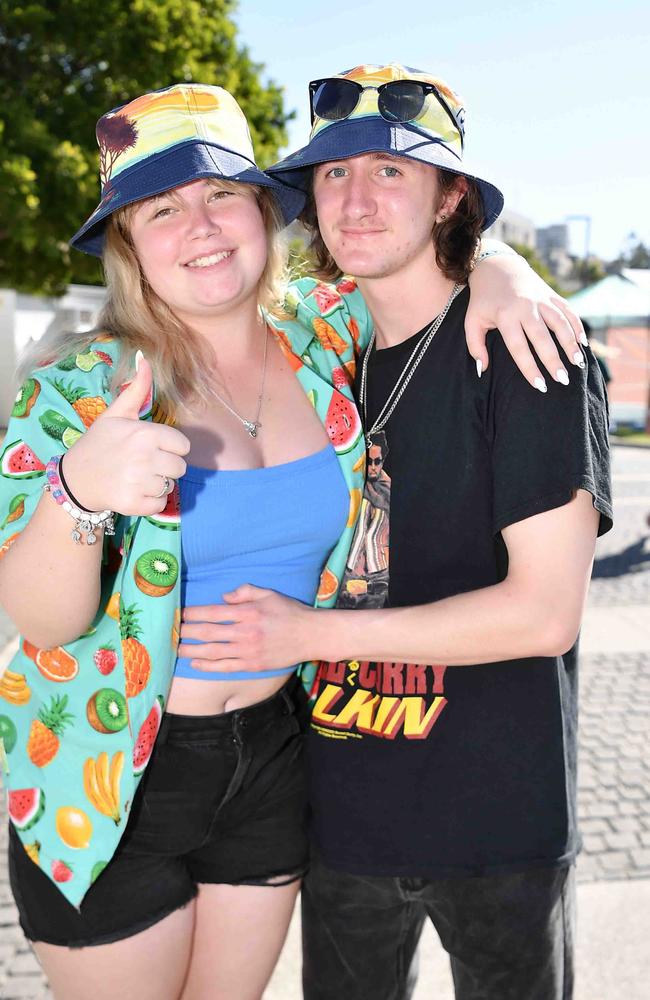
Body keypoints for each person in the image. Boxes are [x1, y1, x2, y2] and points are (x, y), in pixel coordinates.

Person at [0, 77, 585, 1000]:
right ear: (127, 242)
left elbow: (420, 256)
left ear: (266, 211)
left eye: (221, 194)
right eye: (161, 208)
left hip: (279, 760)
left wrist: (508, 267)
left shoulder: (324, 333)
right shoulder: (78, 389)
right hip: (113, 775)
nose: (199, 226)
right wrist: (81, 490)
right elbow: (39, 619)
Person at [179, 64, 613, 999]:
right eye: (333, 174)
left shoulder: (528, 351)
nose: (356, 199)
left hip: (496, 823)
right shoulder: (317, 357)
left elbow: (544, 616)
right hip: (344, 820)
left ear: (451, 196)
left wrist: (309, 636)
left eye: (391, 172)